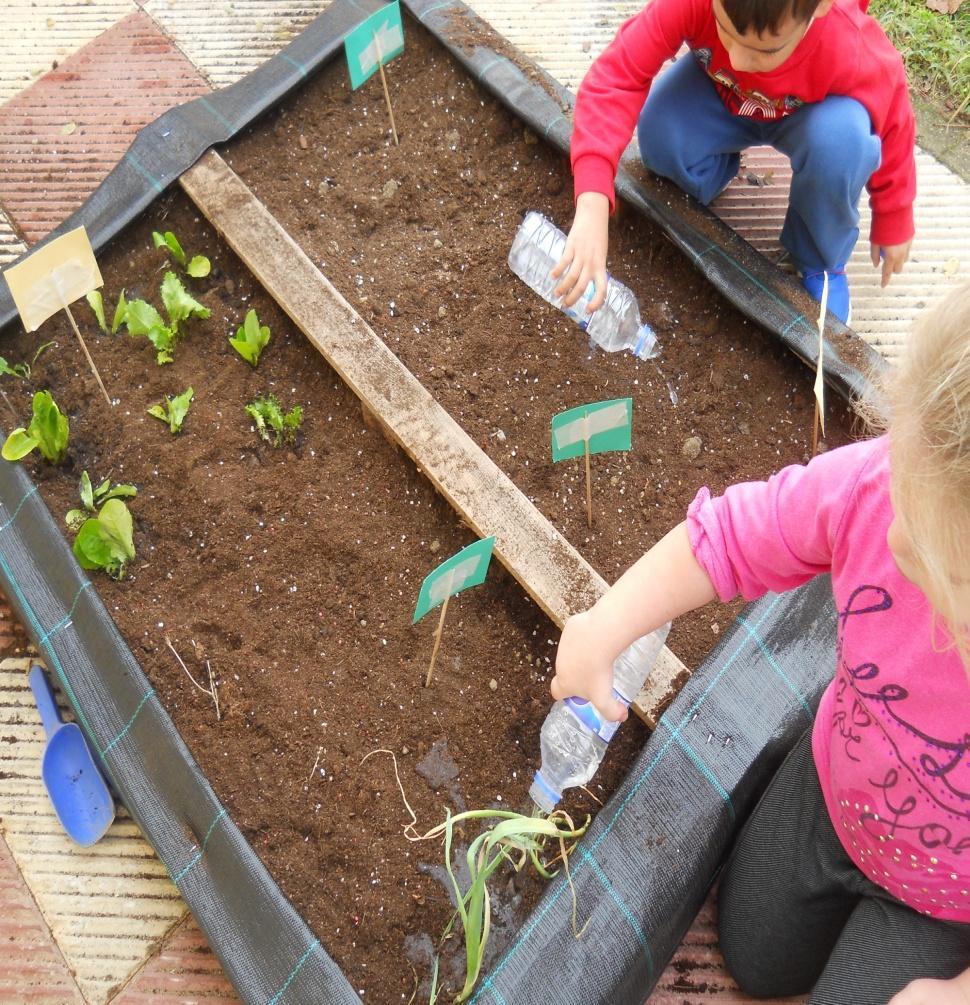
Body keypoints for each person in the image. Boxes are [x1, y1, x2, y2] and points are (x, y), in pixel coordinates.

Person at [550, 283, 970, 1003]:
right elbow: (733, 536)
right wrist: (605, 623)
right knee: (755, 954)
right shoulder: (883, 485)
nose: (895, 536)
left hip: (944, 901)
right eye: (903, 484)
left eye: (942, 566)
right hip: (837, 794)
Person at [552, 0, 917, 326]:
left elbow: (894, 118)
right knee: (662, 132)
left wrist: (894, 214)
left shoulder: (847, 41)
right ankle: (714, 171)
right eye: (725, 32)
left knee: (843, 143)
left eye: (763, 50)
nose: (739, 59)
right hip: (718, 93)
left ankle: (818, 258)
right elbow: (616, 78)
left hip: (811, 115)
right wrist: (592, 200)